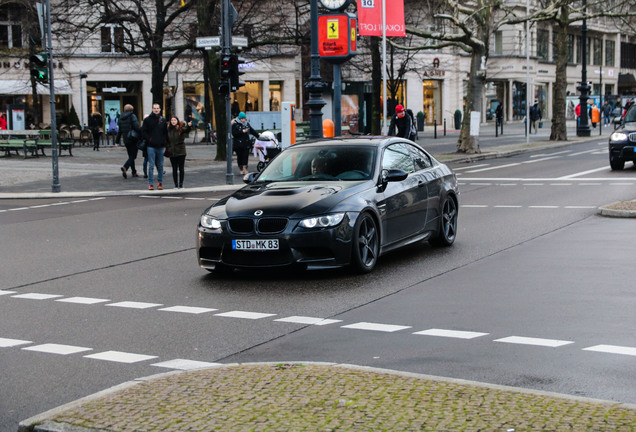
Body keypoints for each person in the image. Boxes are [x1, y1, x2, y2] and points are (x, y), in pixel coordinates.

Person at [141, 103, 168, 190]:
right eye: (154, 108)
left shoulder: (163, 120)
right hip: (151, 146)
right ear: (152, 109)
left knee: (160, 165)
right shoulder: (148, 120)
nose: (156, 110)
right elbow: (143, 131)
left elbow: (165, 133)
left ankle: (160, 183)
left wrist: (164, 143)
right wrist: (149, 139)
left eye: (157, 108)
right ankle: (150, 183)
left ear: (160, 109)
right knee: (151, 165)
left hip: (160, 146)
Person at [115, 104, 141, 179]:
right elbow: (136, 127)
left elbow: (120, 131)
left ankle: (134, 172)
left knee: (130, 156)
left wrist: (117, 141)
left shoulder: (121, 117)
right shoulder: (132, 116)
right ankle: (125, 167)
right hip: (133, 138)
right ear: (131, 110)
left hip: (126, 139)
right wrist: (141, 134)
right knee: (133, 156)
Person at [165, 115, 192, 189]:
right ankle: (176, 185)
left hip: (180, 152)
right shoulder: (168, 130)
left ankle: (181, 184)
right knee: (174, 169)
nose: (173, 121)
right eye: (172, 120)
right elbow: (166, 141)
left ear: (177, 121)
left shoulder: (180, 129)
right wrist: (168, 148)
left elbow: (187, 130)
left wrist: (189, 126)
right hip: (172, 152)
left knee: (181, 169)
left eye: (174, 120)